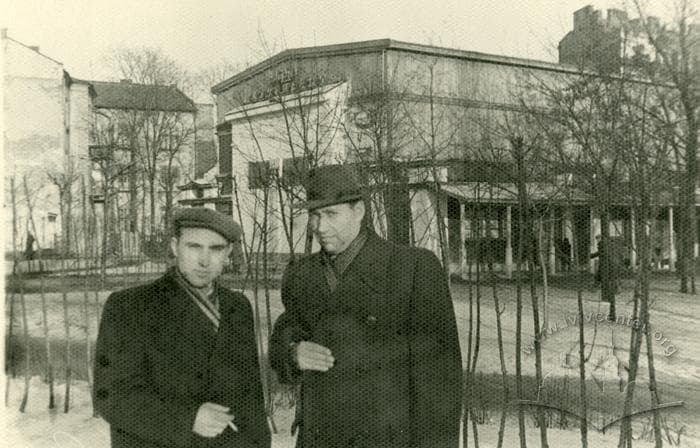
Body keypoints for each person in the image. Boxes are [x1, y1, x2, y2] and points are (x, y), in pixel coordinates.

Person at [269, 165, 462, 448]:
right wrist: (293, 352)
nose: (320, 227)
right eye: (314, 215)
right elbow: (284, 334)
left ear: (359, 211)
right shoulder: (302, 274)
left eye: (331, 214)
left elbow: (439, 384)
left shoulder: (411, 269)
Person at [93, 207, 270, 448]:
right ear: (175, 247)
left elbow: (251, 399)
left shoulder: (238, 307)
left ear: (228, 252)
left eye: (216, 249)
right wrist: (188, 419)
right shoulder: (130, 306)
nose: (204, 261)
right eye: (194, 247)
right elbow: (111, 396)